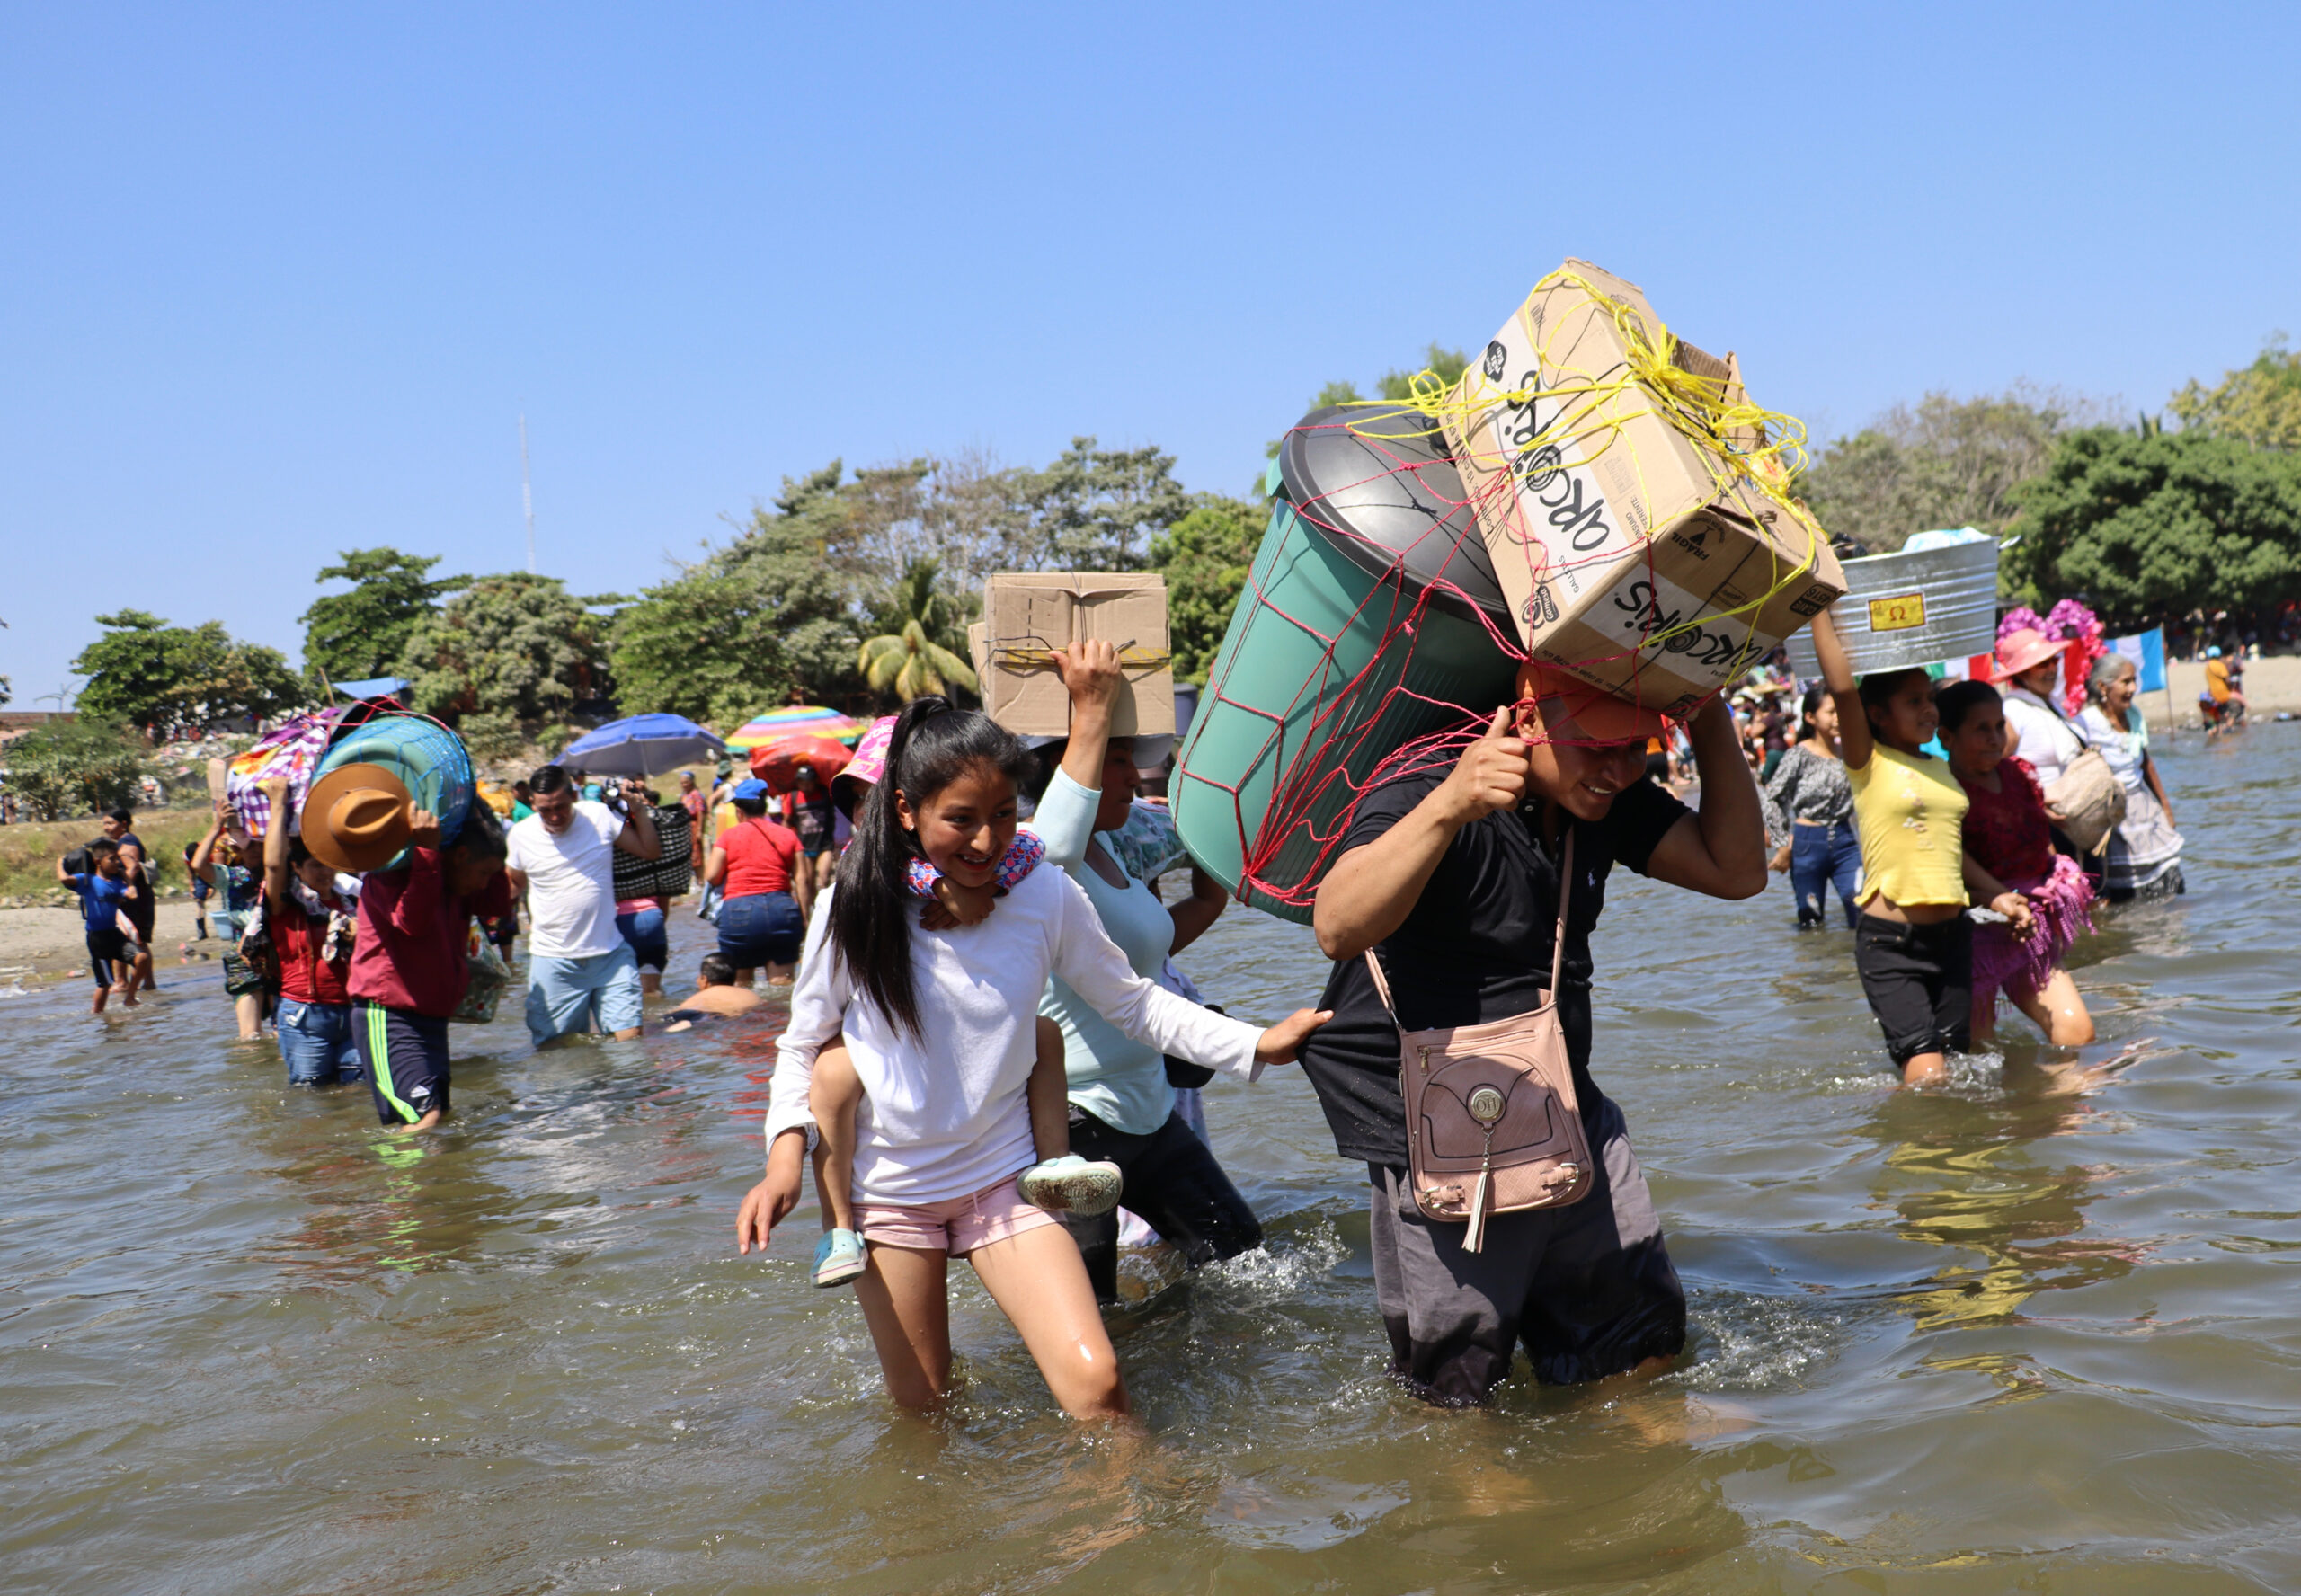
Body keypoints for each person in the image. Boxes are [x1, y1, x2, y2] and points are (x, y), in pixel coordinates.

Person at [736, 698, 1328, 1416]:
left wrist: (1254, 1043)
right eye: (960, 818)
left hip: (1002, 1179)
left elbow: (1132, 1001)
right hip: (891, 1192)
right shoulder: (852, 904)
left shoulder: (1043, 890)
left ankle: (1129, 1514)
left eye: (1005, 814)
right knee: (928, 1408)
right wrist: (783, 1159)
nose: (986, 840)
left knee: (1099, 1384)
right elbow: (802, 1045)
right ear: (905, 810)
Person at [1302, 661, 1768, 1408]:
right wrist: (1451, 805)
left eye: (1636, 748)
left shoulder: (1604, 796)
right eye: (1597, 745)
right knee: (1457, 1385)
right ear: (1528, 720)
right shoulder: (1433, 779)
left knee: (1637, 1352)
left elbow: (1738, 871)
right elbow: (1337, 925)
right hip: (1438, 1120)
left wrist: (1708, 712)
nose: (1617, 770)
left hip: (1560, 1097)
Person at [1008, 641, 1257, 1307]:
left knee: (1245, 1266)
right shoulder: (1027, 859)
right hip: (1077, 1124)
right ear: (1069, 767)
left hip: (1150, 1108)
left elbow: (1204, 838)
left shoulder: (1118, 844)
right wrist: (1090, 706)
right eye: (1116, 760)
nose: (1132, 777)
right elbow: (1055, 842)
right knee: (1092, 1313)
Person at [1811, 607, 2035, 1087]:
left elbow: (1949, 850)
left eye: (1930, 698)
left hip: (1953, 939)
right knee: (1930, 1078)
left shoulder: (1939, 768)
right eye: (1914, 702)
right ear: (1878, 715)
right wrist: (1819, 607)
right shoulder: (1868, 761)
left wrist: (1997, 896)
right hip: (1892, 946)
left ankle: (1954, 1158)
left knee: (1958, 1075)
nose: (1930, 709)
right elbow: (1844, 688)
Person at [1934, 681, 2096, 1046]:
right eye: (1981, 729)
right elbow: (1949, 866)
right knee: (1977, 1060)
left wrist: (2060, 877)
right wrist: (1997, 900)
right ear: (1946, 736)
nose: (1995, 738)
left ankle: (2061, 1105)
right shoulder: (1942, 793)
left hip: (2030, 925)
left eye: (1999, 726)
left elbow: (2042, 842)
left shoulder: (2019, 774)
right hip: (1974, 932)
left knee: (2077, 1034)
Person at [340, 794, 513, 1132]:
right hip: (389, 1016)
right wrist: (427, 853)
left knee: (437, 1120)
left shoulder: (457, 884)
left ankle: (403, 1182)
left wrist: (487, 827)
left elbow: (498, 905)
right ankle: (383, 1184)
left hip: (431, 1019)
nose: (483, 882)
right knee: (425, 1120)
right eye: (483, 873)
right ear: (460, 856)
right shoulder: (392, 873)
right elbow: (412, 923)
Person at [506, 765, 661, 1044]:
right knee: (558, 1053)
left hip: (611, 955)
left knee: (630, 1043)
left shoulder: (598, 816)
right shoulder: (520, 834)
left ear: (574, 795)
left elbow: (649, 851)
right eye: (544, 810)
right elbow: (513, 884)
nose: (554, 816)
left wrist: (639, 811)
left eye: (561, 807)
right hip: (553, 960)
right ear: (532, 803)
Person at [253, 776, 367, 1086]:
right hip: (305, 1017)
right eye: (315, 866)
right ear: (298, 870)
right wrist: (278, 803)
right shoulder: (288, 905)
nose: (325, 872)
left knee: (358, 1097)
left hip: (353, 1014)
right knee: (312, 1101)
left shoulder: (351, 904)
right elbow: (273, 866)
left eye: (329, 864)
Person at [2079, 655, 2186, 900]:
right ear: (2103, 687)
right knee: (2124, 890)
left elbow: (2147, 764)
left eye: (2134, 681)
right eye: (2126, 682)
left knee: (2165, 879)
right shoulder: (2086, 723)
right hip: (2111, 816)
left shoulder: (2134, 715)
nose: (2133, 689)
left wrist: (2166, 808)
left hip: (2144, 809)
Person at [1765, 686, 1859, 928]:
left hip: (1846, 842)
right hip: (1807, 843)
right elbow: (1774, 798)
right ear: (1810, 717)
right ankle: (1813, 964)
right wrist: (1783, 844)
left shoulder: (1851, 752)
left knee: (1860, 909)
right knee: (1811, 918)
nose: (1838, 717)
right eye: (1831, 711)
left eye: (1840, 711)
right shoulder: (1798, 754)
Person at [705, 778, 806, 986]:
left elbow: (712, 875)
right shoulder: (788, 835)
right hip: (783, 910)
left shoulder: (728, 836)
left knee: (742, 988)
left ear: (739, 810)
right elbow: (803, 880)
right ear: (764, 806)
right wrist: (805, 918)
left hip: (739, 912)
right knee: (782, 986)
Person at [191, 800, 269, 1042]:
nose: (256, 850)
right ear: (239, 850)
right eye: (250, 845)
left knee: (283, 1035)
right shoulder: (232, 876)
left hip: (277, 957)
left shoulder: (279, 874)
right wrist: (217, 826)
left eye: (260, 844)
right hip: (244, 958)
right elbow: (198, 865)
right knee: (250, 1037)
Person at [57, 838, 141, 1013]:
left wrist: (126, 877)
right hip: (97, 939)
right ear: (98, 862)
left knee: (142, 958)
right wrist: (60, 862)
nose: (117, 862)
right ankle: (96, 1014)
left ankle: (130, 997)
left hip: (113, 933)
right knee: (105, 984)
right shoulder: (87, 881)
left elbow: (132, 896)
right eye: (112, 859)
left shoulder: (117, 883)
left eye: (118, 858)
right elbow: (64, 878)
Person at [1994, 628, 2083, 789]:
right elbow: (1996, 765)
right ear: (2022, 674)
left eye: (2054, 661)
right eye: (2043, 664)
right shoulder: (2013, 710)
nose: (2052, 669)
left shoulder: (2052, 704)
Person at [100, 807, 158, 994]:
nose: (106, 828)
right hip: (134, 897)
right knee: (128, 938)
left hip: (134, 899)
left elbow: (131, 868)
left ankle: (129, 982)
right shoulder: (121, 842)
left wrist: (123, 891)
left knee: (135, 939)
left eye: (110, 823)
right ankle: (139, 982)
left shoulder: (128, 841)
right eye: (104, 824)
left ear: (123, 824)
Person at [662, 952, 763, 1029]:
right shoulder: (750, 995)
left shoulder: (698, 997)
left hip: (690, 1014)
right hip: (722, 1018)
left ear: (704, 979)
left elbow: (675, 1012)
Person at [785, 762, 839, 905]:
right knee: (807, 881)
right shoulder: (793, 797)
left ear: (815, 781)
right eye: (802, 782)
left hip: (824, 844)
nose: (806, 786)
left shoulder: (824, 793)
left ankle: (824, 906)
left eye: (809, 782)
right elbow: (787, 820)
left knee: (823, 878)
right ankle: (813, 909)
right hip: (804, 847)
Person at [185, 840, 211, 941]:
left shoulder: (209, 851)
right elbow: (190, 869)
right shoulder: (186, 856)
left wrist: (212, 886)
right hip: (200, 874)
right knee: (199, 901)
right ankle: (202, 931)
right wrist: (192, 885)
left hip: (212, 869)